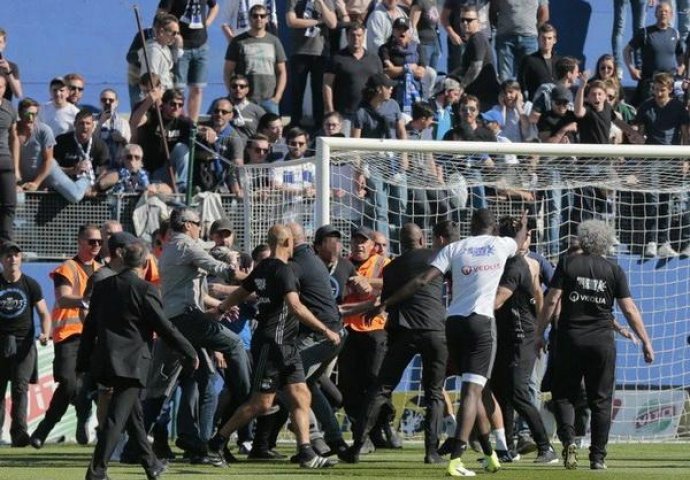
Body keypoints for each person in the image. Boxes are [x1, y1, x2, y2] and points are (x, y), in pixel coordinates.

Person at [374, 208, 529, 476]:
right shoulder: (501, 244)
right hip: (481, 322)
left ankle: (490, 455)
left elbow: (422, 280)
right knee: (472, 392)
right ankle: (456, 459)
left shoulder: (455, 248)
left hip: (453, 323)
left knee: (474, 390)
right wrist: (524, 223)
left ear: (471, 226)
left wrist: (386, 302)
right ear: (493, 228)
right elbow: (519, 239)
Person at [207, 224, 340, 469]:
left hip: (284, 344)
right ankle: (216, 444)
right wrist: (325, 330)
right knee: (262, 403)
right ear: (288, 243)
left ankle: (306, 452)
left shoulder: (263, 268)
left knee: (301, 395)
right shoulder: (284, 270)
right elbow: (296, 307)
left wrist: (220, 309)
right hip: (273, 344)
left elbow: (241, 291)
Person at [536, 220, 654, 470]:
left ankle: (569, 444)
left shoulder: (568, 263)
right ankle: (598, 457)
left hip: (570, 339)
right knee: (601, 400)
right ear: (606, 242)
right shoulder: (614, 270)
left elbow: (551, 300)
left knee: (564, 395)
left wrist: (539, 333)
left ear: (583, 239)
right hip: (601, 342)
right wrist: (645, 341)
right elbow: (630, 310)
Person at [78, 241, 198, 480]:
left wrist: (83, 362)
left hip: (106, 361)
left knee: (134, 416)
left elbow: (89, 327)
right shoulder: (145, 290)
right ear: (145, 263)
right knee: (115, 418)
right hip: (131, 364)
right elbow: (164, 327)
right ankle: (96, 472)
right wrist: (189, 351)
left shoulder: (103, 287)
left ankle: (150, 464)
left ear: (123, 260)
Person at [341, 223, 448, 465]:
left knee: (381, 388)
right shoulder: (436, 257)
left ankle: (356, 447)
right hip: (434, 329)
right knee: (433, 393)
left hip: (404, 331)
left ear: (400, 244)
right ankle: (432, 452)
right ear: (422, 240)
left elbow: (387, 299)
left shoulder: (392, 267)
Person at [158, 207, 251, 461]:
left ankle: (195, 442)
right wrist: (254, 280)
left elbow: (205, 258)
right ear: (188, 225)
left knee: (200, 379)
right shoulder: (187, 247)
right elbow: (221, 269)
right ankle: (250, 400)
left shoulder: (174, 245)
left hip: (177, 320)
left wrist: (216, 306)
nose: (200, 227)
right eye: (199, 223)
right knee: (233, 344)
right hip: (187, 318)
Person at [491, 217, 558, 464]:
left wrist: (538, 332)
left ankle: (546, 447)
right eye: (525, 235)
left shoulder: (518, 265)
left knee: (519, 392)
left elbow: (501, 299)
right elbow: (539, 294)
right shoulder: (503, 262)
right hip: (504, 336)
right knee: (501, 392)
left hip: (521, 337)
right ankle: (506, 448)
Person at [30, 224, 103, 449]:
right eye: (92, 241)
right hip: (69, 336)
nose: (97, 246)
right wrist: (86, 300)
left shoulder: (102, 270)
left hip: (95, 337)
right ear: (80, 242)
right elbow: (63, 299)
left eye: (100, 242)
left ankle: (45, 430)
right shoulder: (68, 268)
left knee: (94, 386)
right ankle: (80, 414)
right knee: (69, 384)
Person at [0, 241, 51, 447]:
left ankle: (19, 434)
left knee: (20, 387)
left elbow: (44, 313)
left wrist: (46, 333)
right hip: (1, 343)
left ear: (21, 259)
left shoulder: (30, 284)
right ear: (2, 260)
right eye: (8, 255)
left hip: (24, 345)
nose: (12, 259)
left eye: (16, 255)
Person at [16, 98, 94, 204]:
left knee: (75, 196)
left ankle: (85, 181)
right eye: (27, 114)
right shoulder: (11, 131)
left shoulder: (44, 130)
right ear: (20, 113)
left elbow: (48, 160)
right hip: (25, 172)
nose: (31, 118)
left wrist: (36, 183)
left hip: (47, 171)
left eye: (34, 115)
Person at [158, 0, 219, 122]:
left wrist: (207, 23)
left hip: (201, 44)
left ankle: (192, 125)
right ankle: (177, 121)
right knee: (177, 89)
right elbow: (161, 14)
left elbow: (214, 6)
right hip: (181, 46)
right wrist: (173, 34)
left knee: (197, 87)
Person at [224, 4, 287, 114]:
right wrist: (234, 94)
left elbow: (282, 72)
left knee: (272, 130)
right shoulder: (238, 42)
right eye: (255, 16)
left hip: (269, 100)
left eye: (262, 16)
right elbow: (228, 71)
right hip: (245, 100)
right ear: (249, 18)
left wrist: (277, 97)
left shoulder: (274, 41)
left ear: (267, 19)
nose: (259, 19)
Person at [323, 21, 383, 134]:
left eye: (359, 35)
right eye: (352, 35)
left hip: (368, 114)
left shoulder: (374, 59)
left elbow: (381, 84)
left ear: (364, 35)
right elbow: (327, 84)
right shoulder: (337, 58)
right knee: (344, 149)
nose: (356, 38)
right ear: (346, 36)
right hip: (344, 114)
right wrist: (330, 110)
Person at [285, 0, 337, 127]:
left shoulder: (327, 1)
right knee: (297, 90)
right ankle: (295, 123)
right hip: (299, 51)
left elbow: (332, 23)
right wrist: (318, 22)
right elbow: (291, 21)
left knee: (318, 90)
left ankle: (319, 124)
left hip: (320, 52)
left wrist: (321, 3)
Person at [134, 88, 193, 192]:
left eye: (180, 105)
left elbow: (198, 130)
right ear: (164, 104)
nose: (176, 108)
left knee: (182, 148)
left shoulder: (184, 122)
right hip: (153, 170)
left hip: (171, 168)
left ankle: (182, 187)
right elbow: (135, 122)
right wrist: (149, 101)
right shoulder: (153, 116)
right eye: (173, 104)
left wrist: (208, 132)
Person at [624, 1, 683, 104]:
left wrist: (682, 67)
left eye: (666, 11)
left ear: (671, 15)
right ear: (656, 13)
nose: (663, 13)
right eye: (660, 11)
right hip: (650, 83)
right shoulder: (645, 33)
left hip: (669, 83)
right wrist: (631, 69)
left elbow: (680, 54)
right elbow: (626, 50)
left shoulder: (675, 33)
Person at [448, 5, 500, 109]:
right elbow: (465, 67)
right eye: (462, 20)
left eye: (469, 20)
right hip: (479, 95)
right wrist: (451, 75)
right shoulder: (472, 40)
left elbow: (476, 66)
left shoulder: (477, 38)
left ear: (478, 22)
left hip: (484, 98)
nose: (465, 23)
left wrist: (461, 87)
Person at [493, 0, 550, 82]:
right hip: (505, 39)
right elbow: (493, 10)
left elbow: (544, 14)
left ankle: (526, 94)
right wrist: (502, 27)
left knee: (529, 75)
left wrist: (533, 29)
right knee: (505, 76)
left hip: (530, 39)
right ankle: (507, 94)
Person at [54, 109, 110, 190]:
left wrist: (95, 186)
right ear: (75, 124)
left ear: (93, 125)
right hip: (65, 184)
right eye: (81, 123)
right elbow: (52, 168)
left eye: (88, 123)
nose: (85, 127)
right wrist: (72, 170)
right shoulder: (61, 141)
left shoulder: (100, 144)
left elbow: (104, 171)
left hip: (91, 186)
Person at [141, 13, 182, 92]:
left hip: (166, 95)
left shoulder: (165, 49)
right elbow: (152, 81)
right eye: (173, 33)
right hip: (158, 97)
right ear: (161, 31)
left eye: (177, 33)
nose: (176, 36)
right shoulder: (153, 51)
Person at [518, 23, 559, 102]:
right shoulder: (528, 60)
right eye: (543, 38)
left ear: (555, 40)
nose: (546, 41)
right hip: (535, 105)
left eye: (549, 38)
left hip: (556, 106)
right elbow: (521, 84)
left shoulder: (559, 61)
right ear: (538, 39)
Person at [0, 74, 17, 243]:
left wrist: (16, 167)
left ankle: (5, 242)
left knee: (10, 204)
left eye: (1, 87)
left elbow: (14, 138)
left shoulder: (9, 108)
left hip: (5, 161)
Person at [96, 88, 131, 169]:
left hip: (118, 165)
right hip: (99, 165)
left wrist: (122, 140)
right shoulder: (92, 121)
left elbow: (129, 146)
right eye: (104, 100)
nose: (107, 102)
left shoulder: (123, 123)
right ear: (100, 102)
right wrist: (100, 123)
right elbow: (89, 142)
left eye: (111, 100)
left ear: (116, 103)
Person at [226, 73, 266, 139]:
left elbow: (267, 131)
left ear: (247, 90)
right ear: (229, 88)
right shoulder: (219, 106)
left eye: (242, 86)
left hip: (248, 147)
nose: (238, 89)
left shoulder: (258, 110)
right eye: (234, 86)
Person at [0, 28, 22, 101]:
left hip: (4, 110)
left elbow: (18, 94)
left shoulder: (12, 66)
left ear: (4, 44)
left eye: (0, 42)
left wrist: (8, 72)